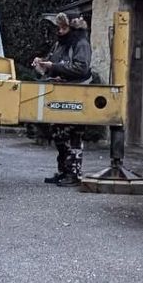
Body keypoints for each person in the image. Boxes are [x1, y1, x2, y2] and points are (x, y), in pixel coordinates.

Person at [31, 11, 91, 185]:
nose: (59, 30)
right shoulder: (60, 44)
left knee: (74, 135)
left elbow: (81, 68)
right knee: (59, 133)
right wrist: (42, 63)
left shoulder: (81, 43)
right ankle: (64, 171)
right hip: (60, 93)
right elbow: (53, 63)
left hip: (77, 94)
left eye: (63, 27)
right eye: (59, 27)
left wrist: (54, 66)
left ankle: (74, 174)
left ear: (72, 27)